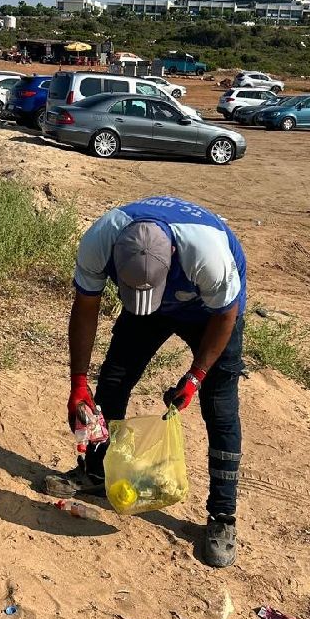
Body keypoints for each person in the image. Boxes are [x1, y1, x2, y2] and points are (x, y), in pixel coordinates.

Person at [46, 196, 246, 568]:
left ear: (172, 256)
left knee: (219, 407)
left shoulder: (209, 255)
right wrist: (77, 383)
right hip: (155, 299)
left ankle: (222, 517)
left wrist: (195, 376)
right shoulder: (100, 240)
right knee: (114, 379)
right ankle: (96, 472)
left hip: (210, 312)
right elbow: (85, 309)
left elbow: (226, 317)